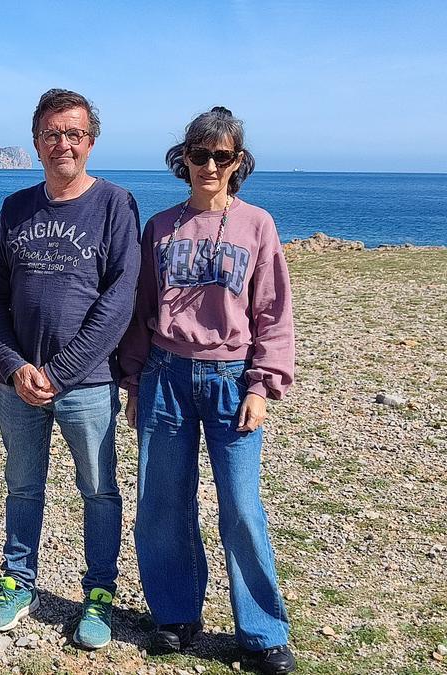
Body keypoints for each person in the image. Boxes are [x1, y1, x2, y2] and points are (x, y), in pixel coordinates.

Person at [119, 106, 297, 674]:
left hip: (231, 379)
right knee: (162, 503)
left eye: (223, 157)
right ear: (184, 160)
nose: (211, 166)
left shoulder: (258, 225)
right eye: (200, 155)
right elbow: (142, 310)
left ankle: (263, 632)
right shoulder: (161, 227)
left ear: (238, 162)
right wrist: (133, 381)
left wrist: (263, 385)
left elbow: (273, 311)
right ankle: (175, 616)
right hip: (165, 376)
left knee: (241, 508)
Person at [0, 88, 140, 649]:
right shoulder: (15, 208)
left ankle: (98, 593)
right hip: (20, 384)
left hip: (88, 384)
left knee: (98, 490)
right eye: (51, 133)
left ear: (90, 142)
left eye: (73, 133)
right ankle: (17, 583)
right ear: (36, 143)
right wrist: (16, 365)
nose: (62, 143)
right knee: (22, 488)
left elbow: (119, 299)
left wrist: (62, 371)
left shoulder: (116, 204)